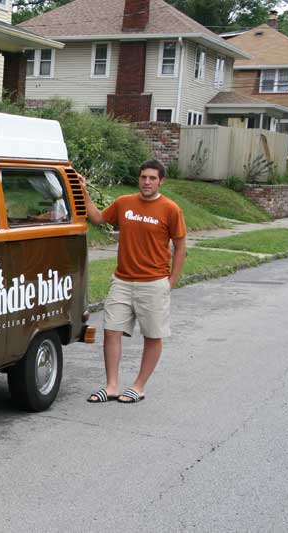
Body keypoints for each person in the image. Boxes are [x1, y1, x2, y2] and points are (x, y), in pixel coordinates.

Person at [82, 160, 186, 404]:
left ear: (161, 181)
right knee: (111, 331)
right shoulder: (124, 203)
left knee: (152, 335)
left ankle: (139, 386)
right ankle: (112, 386)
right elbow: (97, 218)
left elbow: (180, 248)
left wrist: (170, 281)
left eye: (152, 178)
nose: (146, 182)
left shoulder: (171, 209)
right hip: (122, 280)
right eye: (143, 177)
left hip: (154, 282)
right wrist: (83, 191)